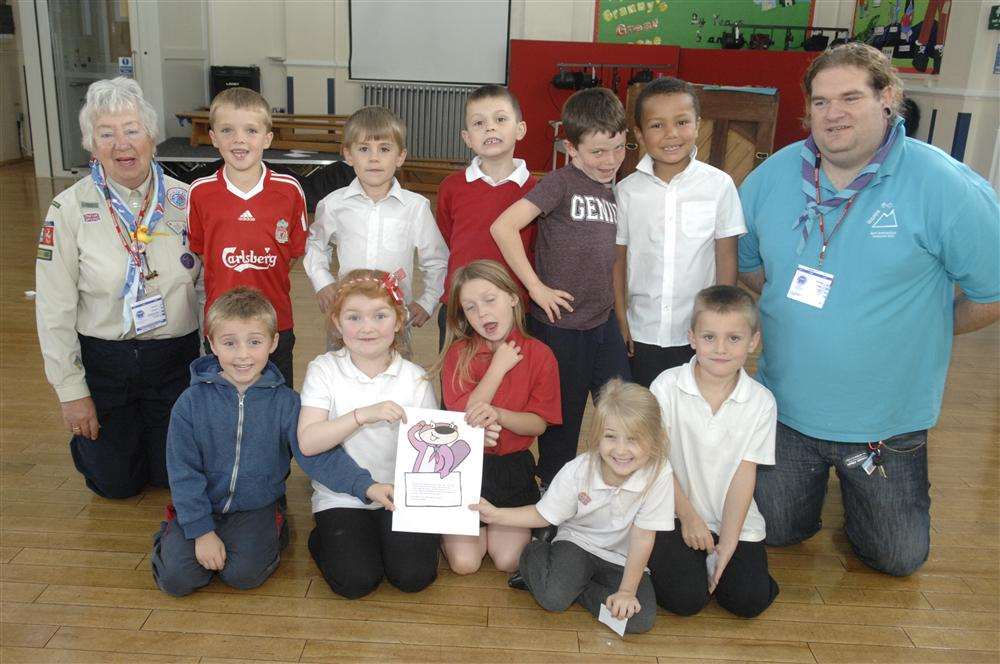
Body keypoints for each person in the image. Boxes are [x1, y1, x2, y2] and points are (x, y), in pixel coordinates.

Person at [738, 43, 1000, 576]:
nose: (833, 113)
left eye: (851, 97)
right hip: (785, 409)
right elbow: (750, 270)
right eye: (820, 101)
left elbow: (990, 295)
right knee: (776, 532)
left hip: (887, 421)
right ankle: (828, 489)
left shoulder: (946, 187)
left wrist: (924, 329)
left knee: (896, 558)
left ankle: (868, 496)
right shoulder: (769, 178)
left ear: (889, 99)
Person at [35, 77, 202, 499]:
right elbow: (53, 309)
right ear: (92, 145)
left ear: (152, 137)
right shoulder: (68, 209)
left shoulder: (188, 202)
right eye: (106, 133)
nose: (121, 144)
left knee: (171, 477)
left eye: (131, 130)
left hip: (173, 359)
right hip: (106, 363)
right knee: (115, 484)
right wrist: (72, 393)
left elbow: (206, 291)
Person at [150, 287, 370, 596]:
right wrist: (201, 532)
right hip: (202, 504)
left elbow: (317, 454)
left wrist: (365, 485)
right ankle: (174, 534)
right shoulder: (190, 403)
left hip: (255, 507)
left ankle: (275, 526)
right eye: (230, 343)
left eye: (254, 342)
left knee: (244, 575)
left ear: (273, 342)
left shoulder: (287, 403)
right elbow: (182, 471)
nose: (242, 355)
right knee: (177, 580)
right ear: (212, 343)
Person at [491, 87, 631, 487]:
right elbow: (503, 227)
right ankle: (552, 497)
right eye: (598, 152)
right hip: (561, 328)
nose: (610, 161)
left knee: (623, 409)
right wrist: (535, 288)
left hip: (602, 326)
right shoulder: (560, 183)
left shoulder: (615, 189)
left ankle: (612, 486)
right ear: (571, 148)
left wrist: (620, 319)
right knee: (562, 426)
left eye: (619, 148)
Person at [474, 379, 673, 635]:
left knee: (640, 620)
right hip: (577, 543)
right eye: (611, 437)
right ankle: (537, 552)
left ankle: (576, 587)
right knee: (554, 600)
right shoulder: (578, 470)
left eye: (633, 439)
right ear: (597, 436)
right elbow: (542, 513)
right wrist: (496, 514)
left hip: (621, 557)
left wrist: (625, 592)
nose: (621, 450)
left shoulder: (660, 472)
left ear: (655, 440)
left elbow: (644, 536)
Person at [294, 269, 442, 599]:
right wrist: (361, 416)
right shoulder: (324, 369)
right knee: (356, 582)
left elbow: (431, 451)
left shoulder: (415, 378)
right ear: (336, 322)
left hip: (398, 493)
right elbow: (308, 441)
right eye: (354, 317)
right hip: (341, 495)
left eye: (379, 315)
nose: (367, 327)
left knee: (413, 576)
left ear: (398, 321)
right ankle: (324, 538)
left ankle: (374, 538)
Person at [647, 286, 779, 618]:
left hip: (733, 520)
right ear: (692, 338)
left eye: (734, 338)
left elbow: (744, 474)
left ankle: (746, 572)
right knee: (685, 601)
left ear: (753, 341)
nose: (720, 348)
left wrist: (730, 542)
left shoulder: (762, 402)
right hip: (676, 515)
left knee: (748, 602)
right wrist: (689, 518)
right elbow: (656, 461)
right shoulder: (666, 385)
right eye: (709, 337)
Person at [613, 77, 746, 388]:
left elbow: (726, 258)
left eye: (682, 122)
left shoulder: (719, 185)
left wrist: (721, 325)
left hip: (698, 334)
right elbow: (617, 261)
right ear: (639, 133)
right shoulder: (626, 192)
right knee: (644, 422)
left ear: (698, 124)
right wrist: (621, 319)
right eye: (657, 125)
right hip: (641, 331)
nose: (671, 134)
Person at [432, 260, 562, 574]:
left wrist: (499, 415)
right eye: (471, 308)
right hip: (463, 467)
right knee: (465, 563)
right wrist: (498, 367)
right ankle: (439, 524)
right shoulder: (457, 354)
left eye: (490, 300)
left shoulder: (540, 354)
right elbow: (465, 418)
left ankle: (487, 526)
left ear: (513, 298)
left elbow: (538, 423)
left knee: (508, 561)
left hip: (511, 469)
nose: (483, 314)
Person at [187, 87, 308, 387]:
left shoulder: (289, 190)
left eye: (251, 130)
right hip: (221, 326)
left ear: (267, 138)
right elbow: (202, 253)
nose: (239, 139)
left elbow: (291, 253)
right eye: (227, 130)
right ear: (213, 137)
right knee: (222, 408)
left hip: (275, 322)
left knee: (275, 405)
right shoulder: (200, 192)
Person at [304, 106, 448, 355]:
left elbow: (437, 260)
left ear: (400, 156)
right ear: (348, 155)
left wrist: (427, 301)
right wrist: (322, 282)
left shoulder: (416, 207)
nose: (374, 158)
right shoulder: (334, 204)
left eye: (384, 149)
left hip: (395, 320)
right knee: (341, 381)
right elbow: (314, 244)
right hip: (346, 316)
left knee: (395, 381)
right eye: (363, 149)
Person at [435, 85, 537, 349]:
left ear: (520, 129)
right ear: (467, 138)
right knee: (458, 384)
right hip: (460, 307)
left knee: (512, 386)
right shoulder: (452, 187)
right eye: (479, 123)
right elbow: (448, 237)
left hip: (514, 309)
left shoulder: (536, 191)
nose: (490, 128)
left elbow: (536, 248)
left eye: (500, 119)